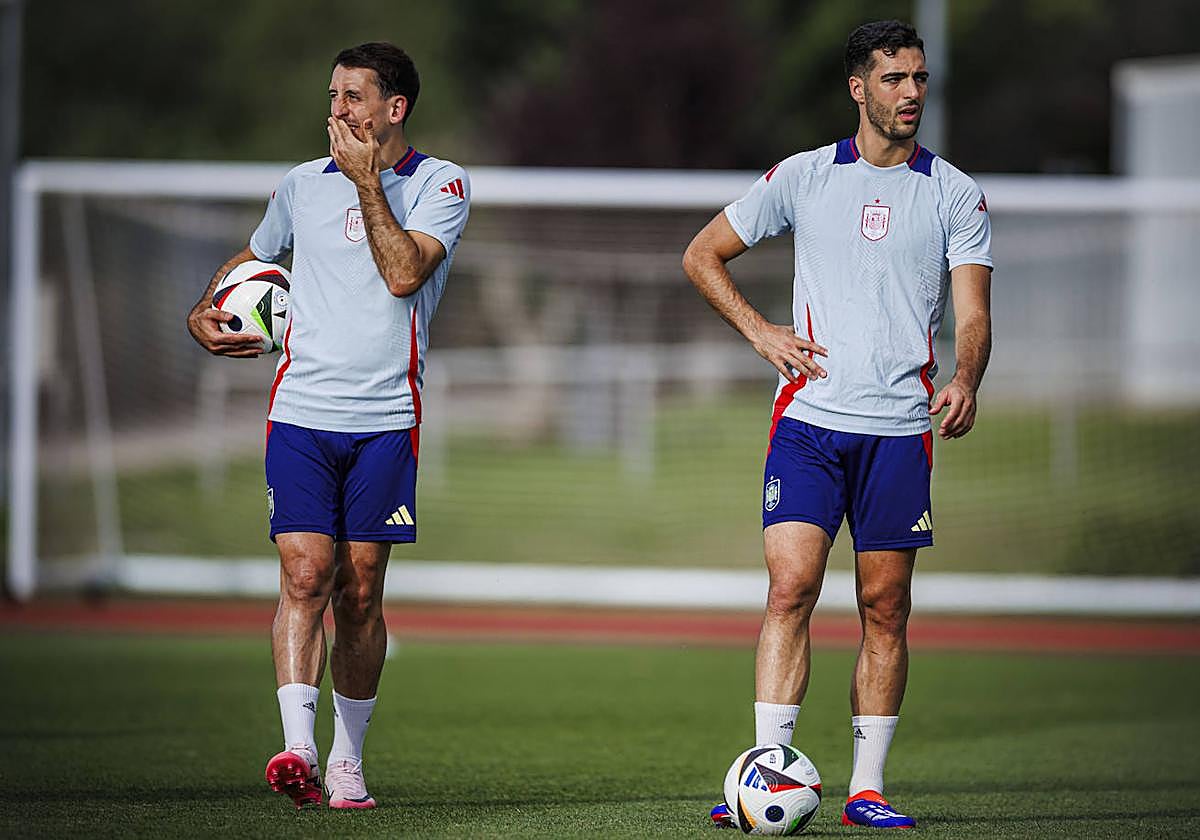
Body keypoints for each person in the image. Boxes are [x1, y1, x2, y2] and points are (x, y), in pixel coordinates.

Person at [683, 20, 992, 830]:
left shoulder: (954, 193)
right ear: (860, 89)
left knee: (885, 607)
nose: (912, 93)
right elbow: (702, 254)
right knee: (791, 588)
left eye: (919, 78)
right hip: (810, 424)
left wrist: (965, 377)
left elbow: (974, 313)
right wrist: (761, 332)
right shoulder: (803, 177)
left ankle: (866, 789)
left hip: (899, 431)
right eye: (894, 79)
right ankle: (764, 772)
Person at [186, 42, 470, 810]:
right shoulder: (298, 186)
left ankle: (349, 759)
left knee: (361, 592)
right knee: (306, 574)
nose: (336, 110)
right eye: (333, 95)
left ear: (393, 109)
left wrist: (367, 183)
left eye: (353, 97)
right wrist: (201, 310)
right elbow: (250, 259)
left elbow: (404, 273)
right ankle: (299, 750)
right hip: (300, 413)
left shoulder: (441, 183)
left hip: (387, 420)